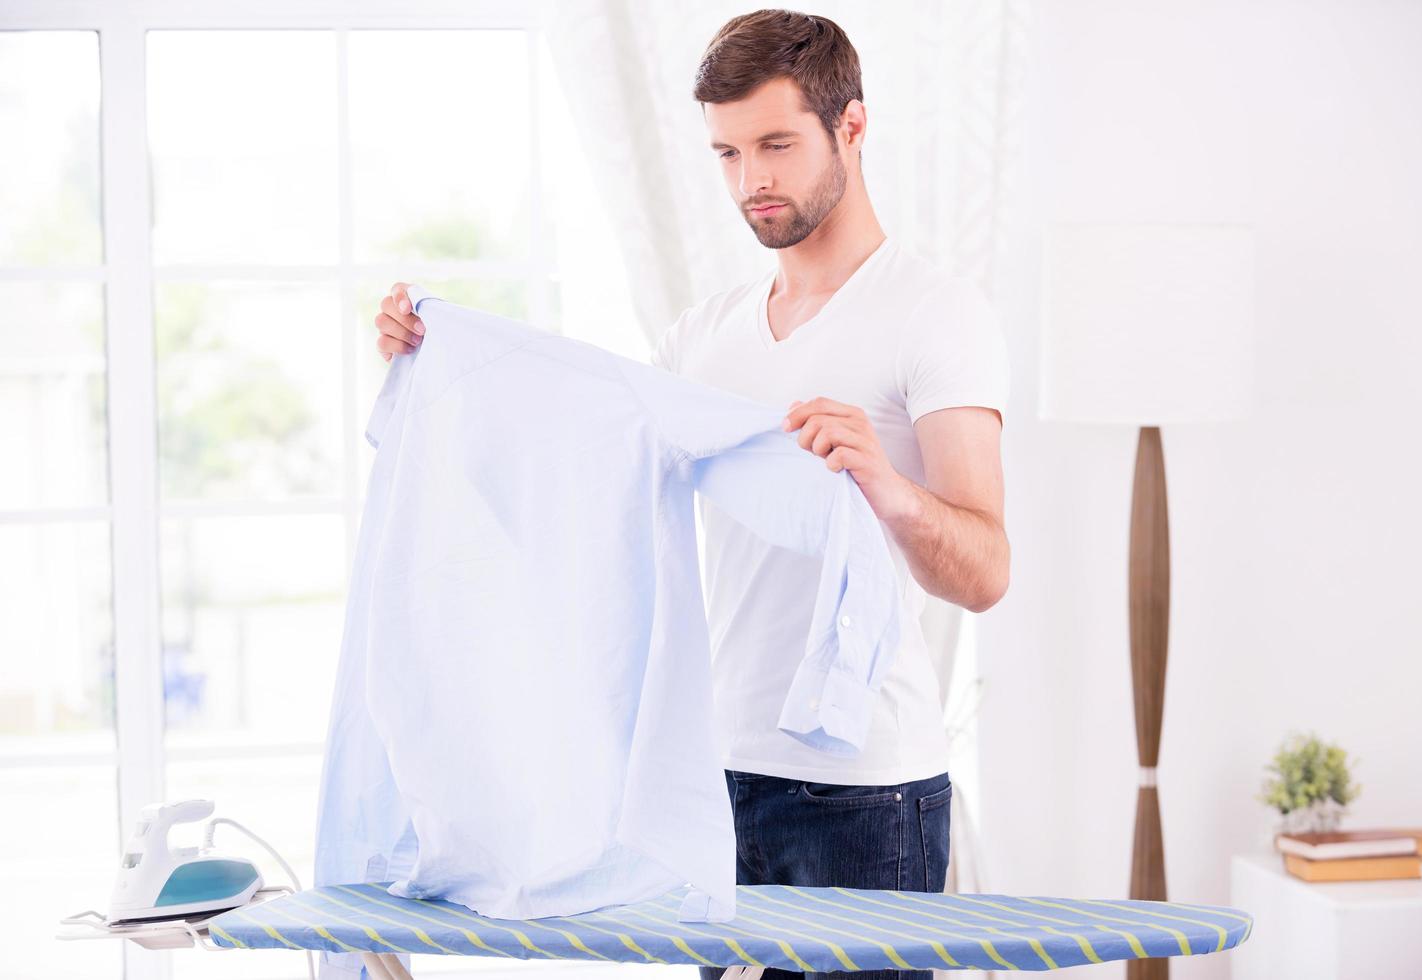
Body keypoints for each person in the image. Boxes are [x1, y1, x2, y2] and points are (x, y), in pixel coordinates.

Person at [372, 10, 1010, 980]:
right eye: (725, 152)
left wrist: (881, 482)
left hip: (865, 788)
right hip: (715, 772)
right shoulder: (704, 336)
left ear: (852, 126)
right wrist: (442, 364)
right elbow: (583, 461)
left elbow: (984, 572)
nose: (750, 179)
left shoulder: (935, 313)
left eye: (776, 144)